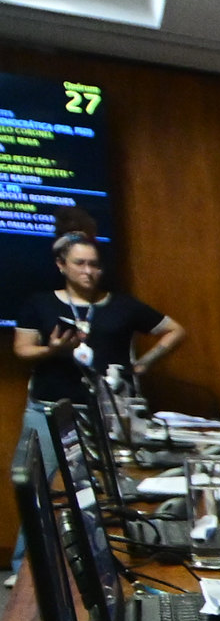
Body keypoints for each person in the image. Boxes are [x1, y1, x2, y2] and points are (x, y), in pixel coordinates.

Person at [11, 230, 188, 575]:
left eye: (94, 265)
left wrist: (144, 364)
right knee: (41, 489)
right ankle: (25, 569)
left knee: (106, 488)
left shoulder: (122, 305)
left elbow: (175, 330)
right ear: (62, 265)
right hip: (49, 408)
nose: (89, 271)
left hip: (106, 410)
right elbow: (22, 349)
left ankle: (101, 564)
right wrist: (54, 350)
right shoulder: (40, 303)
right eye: (80, 264)